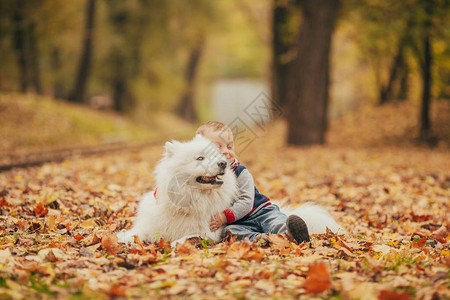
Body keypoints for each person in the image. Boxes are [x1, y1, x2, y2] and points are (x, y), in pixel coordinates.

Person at [196, 121, 310, 244]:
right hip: (239, 223)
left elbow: (247, 201)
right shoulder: (207, 179)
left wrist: (224, 216)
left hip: (261, 211)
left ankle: (292, 235)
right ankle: (264, 239)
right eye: (218, 147)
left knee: (275, 222)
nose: (226, 151)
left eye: (229, 147)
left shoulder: (240, 172)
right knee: (229, 232)